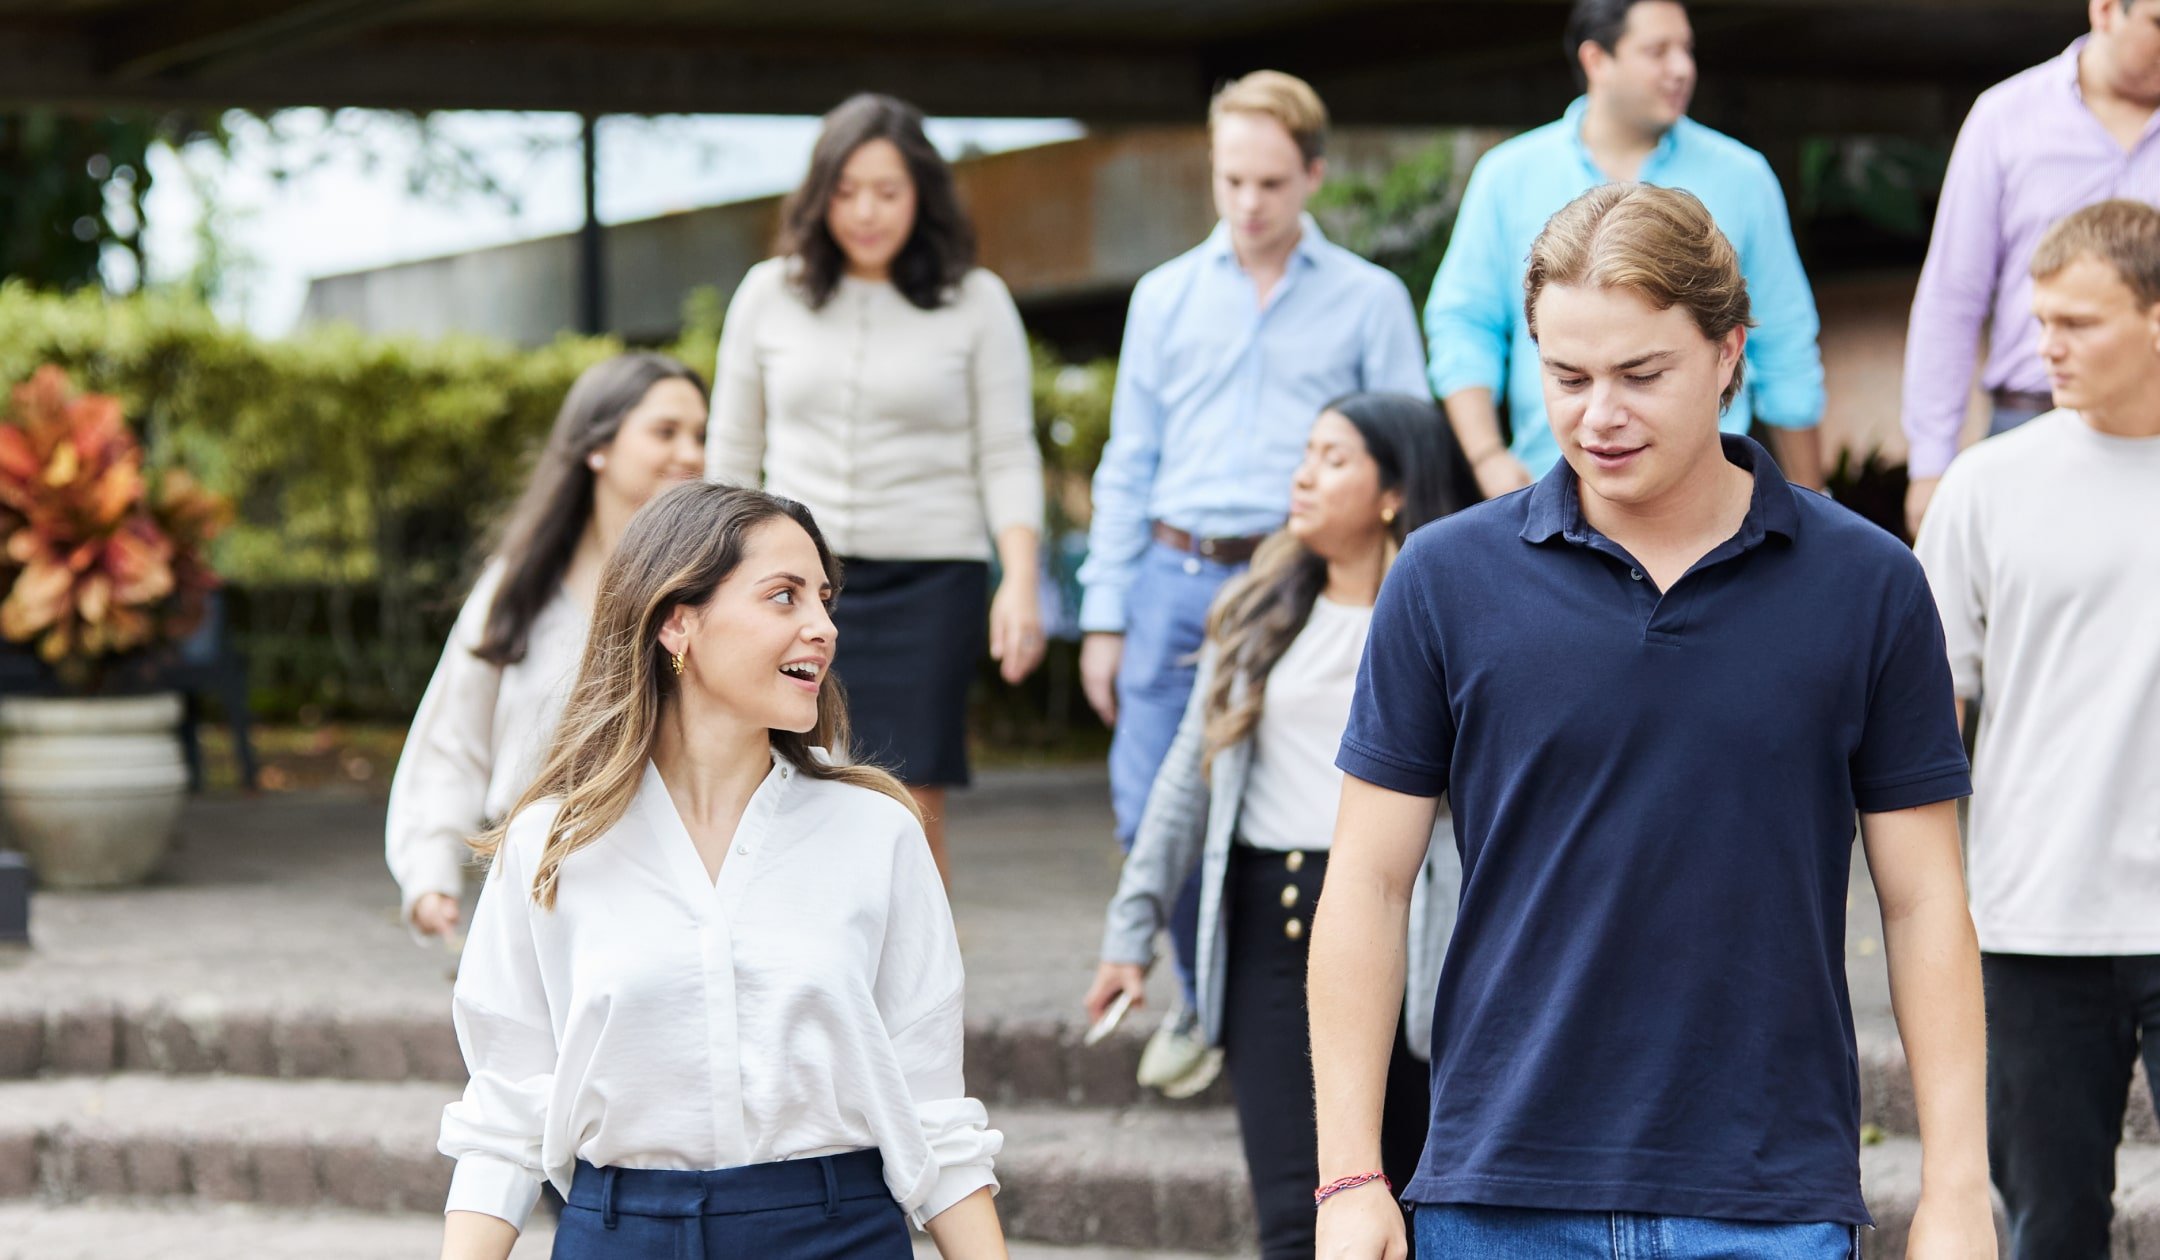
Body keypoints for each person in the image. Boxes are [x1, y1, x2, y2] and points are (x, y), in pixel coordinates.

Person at [1309, 184, 1993, 1259]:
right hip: (1496, 1194)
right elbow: (1367, 882)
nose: (1599, 416)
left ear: (1729, 353)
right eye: (1567, 377)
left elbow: (1923, 903)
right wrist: (1350, 1174)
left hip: (1770, 1203)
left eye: (1641, 375)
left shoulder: (1870, 586)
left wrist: (1957, 1191)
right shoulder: (1443, 578)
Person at [436, 482, 1007, 1260]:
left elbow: (934, 1111)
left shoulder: (878, 832)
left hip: (839, 1235)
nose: (824, 627)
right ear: (678, 620)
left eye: (825, 600)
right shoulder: (551, 845)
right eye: (784, 596)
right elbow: (504, 1119)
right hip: (620, 1237)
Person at [1075, 69, 1427, 1095]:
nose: (1248, 202)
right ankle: (1207, 1000)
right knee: (1154, 804)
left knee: (1302, 802)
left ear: (1312, 175)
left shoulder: (1368, 298)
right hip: (1172, 574)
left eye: (1271, 182)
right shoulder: (1164, 296)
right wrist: (1104, 616)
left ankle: (1322, 1004)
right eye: (1231, 179)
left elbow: (1406, 449)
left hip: (1298, 578)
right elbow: (1128, 460)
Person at [1085, 393, 1467, 1258]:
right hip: (1273, 919)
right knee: (1299, 1214)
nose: (1304, 476)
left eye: (1334, 459)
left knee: (1415, 1206)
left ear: (1394, 491)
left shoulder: (1444, 612)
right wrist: (1131, 930)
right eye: (1306, 454)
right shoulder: (1258, 607)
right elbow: (1184, 783)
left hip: (1409, 924)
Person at [708, 92, 1046, 884]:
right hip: (792, 584)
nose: (866, 212)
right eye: (847, 190)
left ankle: (919, 967)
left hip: (932, 583)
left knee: (908, 804)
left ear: (922, 196)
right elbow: (731, 455)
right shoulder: (767, 293)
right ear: (819, 194)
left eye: (888, 192)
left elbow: (1006, 450)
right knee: (780, 789)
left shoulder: (977, 300)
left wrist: (1022, 581)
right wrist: (712, 579)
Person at [1914, 200, 2160, 1259]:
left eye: (2077, 323)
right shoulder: (1987, 486)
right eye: (2039, 319)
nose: (2041, 347)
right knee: (2049, 1234)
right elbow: (1928, 719)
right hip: (2033, 924)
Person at [1426, 0, 1826, 501]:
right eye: (1657, 51)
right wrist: (1488, 457)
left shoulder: (1743, 177)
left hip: (1705, 498)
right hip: (1545, 488)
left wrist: (1811, 505)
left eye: (1686, 49)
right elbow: (1463, 324)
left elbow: (1786, 342)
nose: (1682, 68)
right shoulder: (1507, 176)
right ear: (1596, 60)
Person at [387, 352, 708, 942]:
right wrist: (430, 869)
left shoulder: (714, 590)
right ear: (598, 446)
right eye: (666, 432)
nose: (691, 453)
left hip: (674, 895)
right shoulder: (517, 587)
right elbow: (455, 735)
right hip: (534, 894)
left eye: (700, 436)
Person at [1900, 0, 2160, 537]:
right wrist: (1931, 462)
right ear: (2106, 11)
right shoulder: (2005, 117)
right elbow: (1953, 296)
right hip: (2028, 416)